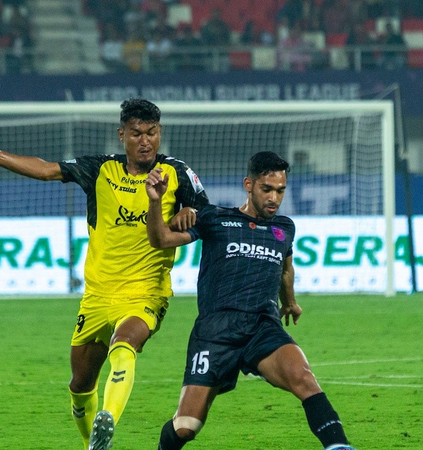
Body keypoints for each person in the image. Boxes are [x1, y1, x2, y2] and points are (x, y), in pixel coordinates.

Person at [0, 98, 209, 450]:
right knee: (80, 384)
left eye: (152, 133)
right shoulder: (101, 169)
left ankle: (109, 417)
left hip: (146, 292)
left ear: (160, 133)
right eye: (136, 133)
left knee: (125, 343)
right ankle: (95, 443)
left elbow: (209, 214)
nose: (145, 141)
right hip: (97, 295)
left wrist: (190, 212)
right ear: (122, 135)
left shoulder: (177, 172)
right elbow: (46, 170)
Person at [145, 152, 356, 450]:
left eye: (280, 191)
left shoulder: (285, 227)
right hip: (216, 332)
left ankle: (339, 446)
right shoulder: (215, 218)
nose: (274, 198)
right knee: (186, 427)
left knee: (304, 378)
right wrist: (155, 202)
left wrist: (290, 302)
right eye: (267, 189)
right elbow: (161, 240)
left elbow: (285, 268)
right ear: (249, 185)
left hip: (262, 327)